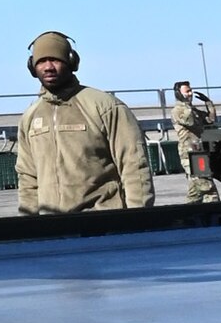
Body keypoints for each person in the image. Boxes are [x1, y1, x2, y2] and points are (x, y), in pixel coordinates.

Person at [15, 31, 153, 214]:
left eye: (55, 60)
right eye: (41, 61)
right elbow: (28, 178)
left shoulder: (105, 107)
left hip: (103, 224)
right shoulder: (30, 117)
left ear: (71, 62)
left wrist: (138, 219)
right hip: (53, 229)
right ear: (32, 67)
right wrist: (29, 227)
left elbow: (134, 165)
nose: (48, 67)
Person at [171, 79, 219, 203]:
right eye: (187, 91)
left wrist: (208, 103)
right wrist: (186, 103)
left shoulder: (194, 110)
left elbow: (210, 119)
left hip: (199, 151)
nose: (191, 93)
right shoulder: (178, 110)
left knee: (198, 188)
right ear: (178, 94)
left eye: (191, 90)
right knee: (206, 186)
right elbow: (190, 121)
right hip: (189, 153)